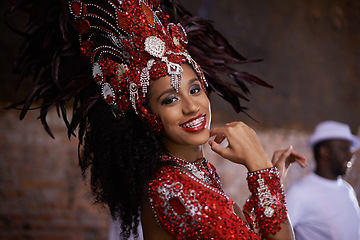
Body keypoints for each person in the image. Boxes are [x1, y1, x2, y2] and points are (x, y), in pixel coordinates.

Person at [8, 0, 306, 239]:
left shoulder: (192, 175)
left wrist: (271, 181)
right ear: (147, 114)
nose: (191, 107)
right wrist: (259, 168)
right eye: (170, 99)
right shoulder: (171, 190)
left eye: (194, 89)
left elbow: (242, 232)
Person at [286, 120, 360, 240]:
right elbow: (275, 234)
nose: (350, 155)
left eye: (350, 150)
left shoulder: (347, 189)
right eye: (344, 149)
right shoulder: (300, 192)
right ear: (324, 151)